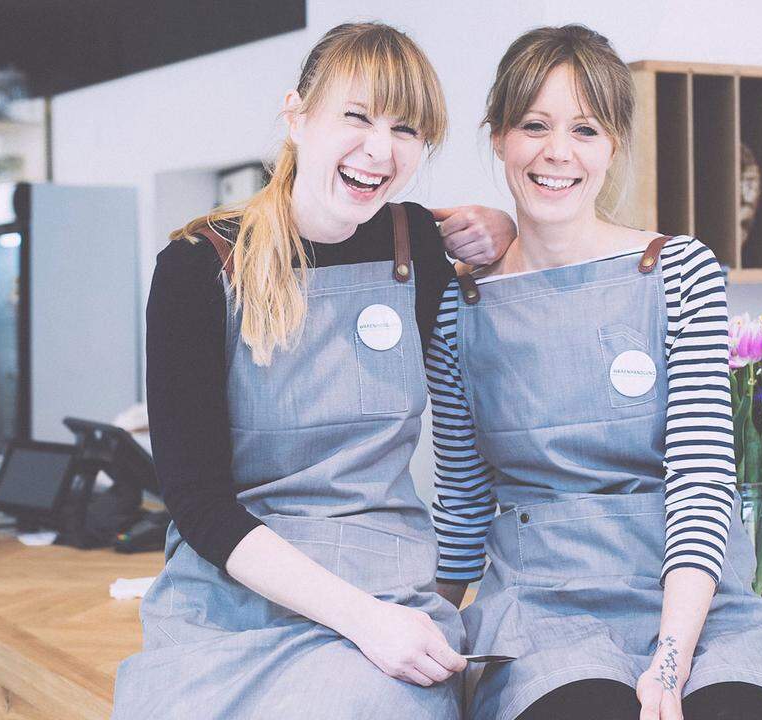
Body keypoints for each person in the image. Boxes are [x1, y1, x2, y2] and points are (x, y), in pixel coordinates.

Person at [112, 22, 517, 719]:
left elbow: (477, 428)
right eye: (355, 117)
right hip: (229, 607)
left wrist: (506, 234)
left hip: (390, 588)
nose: (379, 150)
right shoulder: (195, 268)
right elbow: (199, 504)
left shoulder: (416, 244)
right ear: (297, 116)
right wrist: (362, 620)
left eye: (407, 129)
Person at [428, 25, 762, 720]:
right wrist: (420, 631)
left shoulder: (680, 271)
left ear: (614, 145)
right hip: (540, 618)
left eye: (585, 129)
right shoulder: (458, 307)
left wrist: (670, 659)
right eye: (533, 125)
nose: (557, 153)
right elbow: (461, 501)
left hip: (698, 604)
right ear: (498, 137)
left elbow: (701, 479)